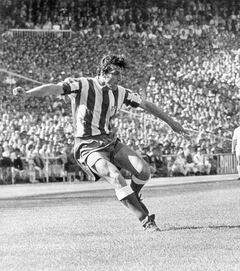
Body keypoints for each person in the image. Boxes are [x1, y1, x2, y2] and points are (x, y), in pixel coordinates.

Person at [13, 54, 188, 231]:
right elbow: (54, 88)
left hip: (109, 141)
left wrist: (171, 122)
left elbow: (146, 105)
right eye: (116, 73)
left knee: (144, 171)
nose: (119, 78)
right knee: (114, 176)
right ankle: (146, 220)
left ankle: (132, 196)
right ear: (104, 72)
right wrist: (28, 94)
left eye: (121, 74)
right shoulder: (83, 84)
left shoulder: (121, 92)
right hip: (86, 145)